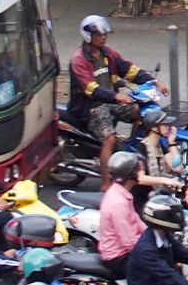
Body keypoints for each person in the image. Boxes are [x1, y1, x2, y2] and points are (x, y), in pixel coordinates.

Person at [67, 14, 163, 188]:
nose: (103, 37)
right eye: (99, 35)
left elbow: (129, 70)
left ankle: (130, 151)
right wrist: (116, 96)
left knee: (138, 112)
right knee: (109, 139)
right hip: (91, 107)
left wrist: (153, 81)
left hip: (109, 102)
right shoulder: (79, 60)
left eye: (105, 34)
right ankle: (105, 183)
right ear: (88, 36)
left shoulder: (107, 54)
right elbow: (91, 89)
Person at [96, 152, 147, 280]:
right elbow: (129, 242)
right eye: (138, 169)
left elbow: (137, 222)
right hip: (119, 258)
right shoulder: (118, 203)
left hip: (126, 252)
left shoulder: (121, 194)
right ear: (130, 174)